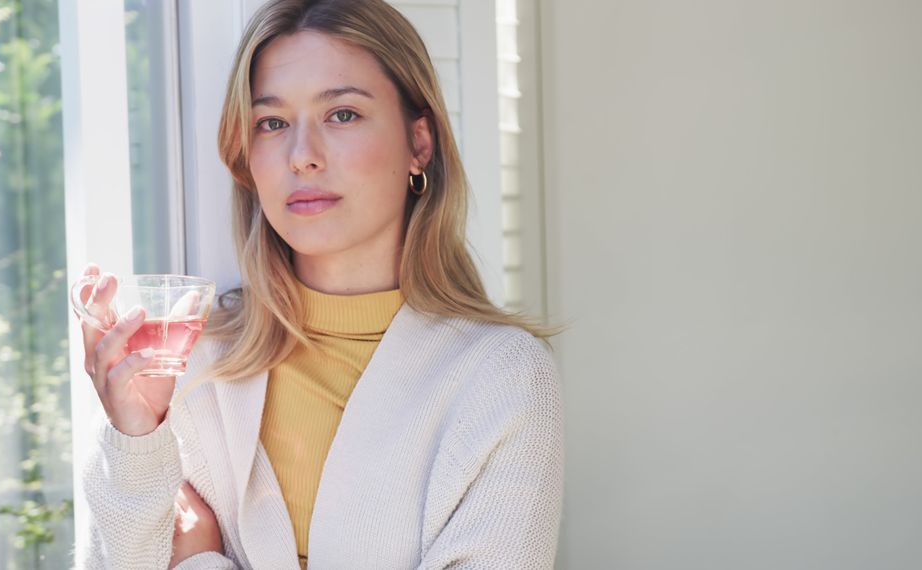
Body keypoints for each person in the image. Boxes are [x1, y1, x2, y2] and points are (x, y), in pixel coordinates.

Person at [75, 0, 563, 568]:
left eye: (343, 115)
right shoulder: (182, 367)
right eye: (272, 123)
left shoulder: (501, 378)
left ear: (419, 142)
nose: (302, 156)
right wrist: (134, 441)